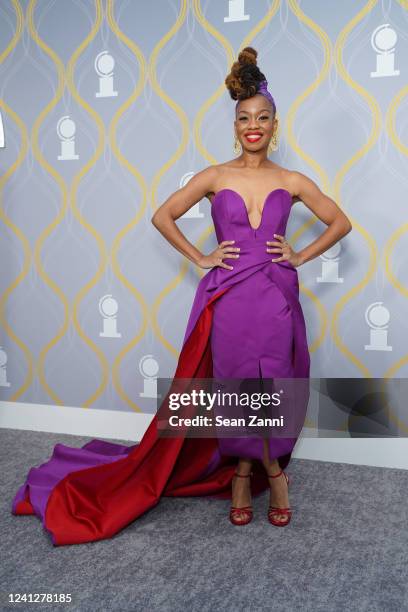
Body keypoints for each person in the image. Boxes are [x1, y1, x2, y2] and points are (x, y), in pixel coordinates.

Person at [11, 47, 352, 545]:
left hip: (276, 296)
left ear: (275, 123)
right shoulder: (214, 176)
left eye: (262, 118)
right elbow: (162, 216)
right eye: (243, 118)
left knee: (274, 384)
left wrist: (300, 255)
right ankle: (242, 474)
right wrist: (201, 257)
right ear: (234, 124)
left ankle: (274, 471)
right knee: (234, 387)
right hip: (231, 296)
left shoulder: (292, 180)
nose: (252, 126)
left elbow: (340, 222)